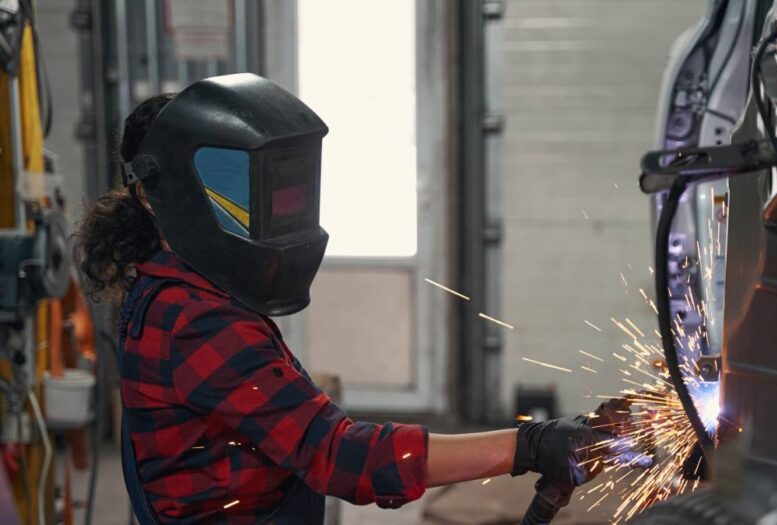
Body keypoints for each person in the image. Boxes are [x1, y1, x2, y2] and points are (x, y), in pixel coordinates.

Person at [75, 74, 636, 524]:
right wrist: (527, 445)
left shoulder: (175, 289)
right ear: (161, 196)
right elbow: (343, 458)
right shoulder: (194, 320)